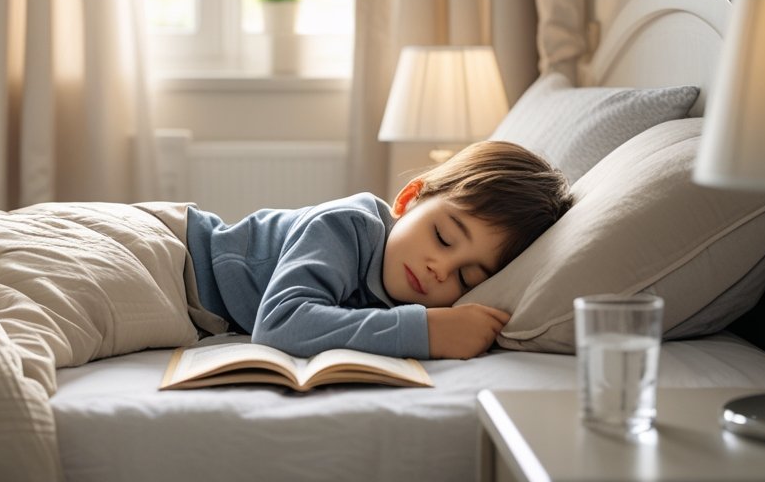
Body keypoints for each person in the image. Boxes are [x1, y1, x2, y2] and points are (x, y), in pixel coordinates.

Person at [183, 140, 572, 360]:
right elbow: (279, 323)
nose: (441, 268)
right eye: (443, 237)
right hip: (173, 255)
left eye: (467, 276)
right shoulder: (348, 226)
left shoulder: (416, 293)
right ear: (408, 199)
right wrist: (424, 332)